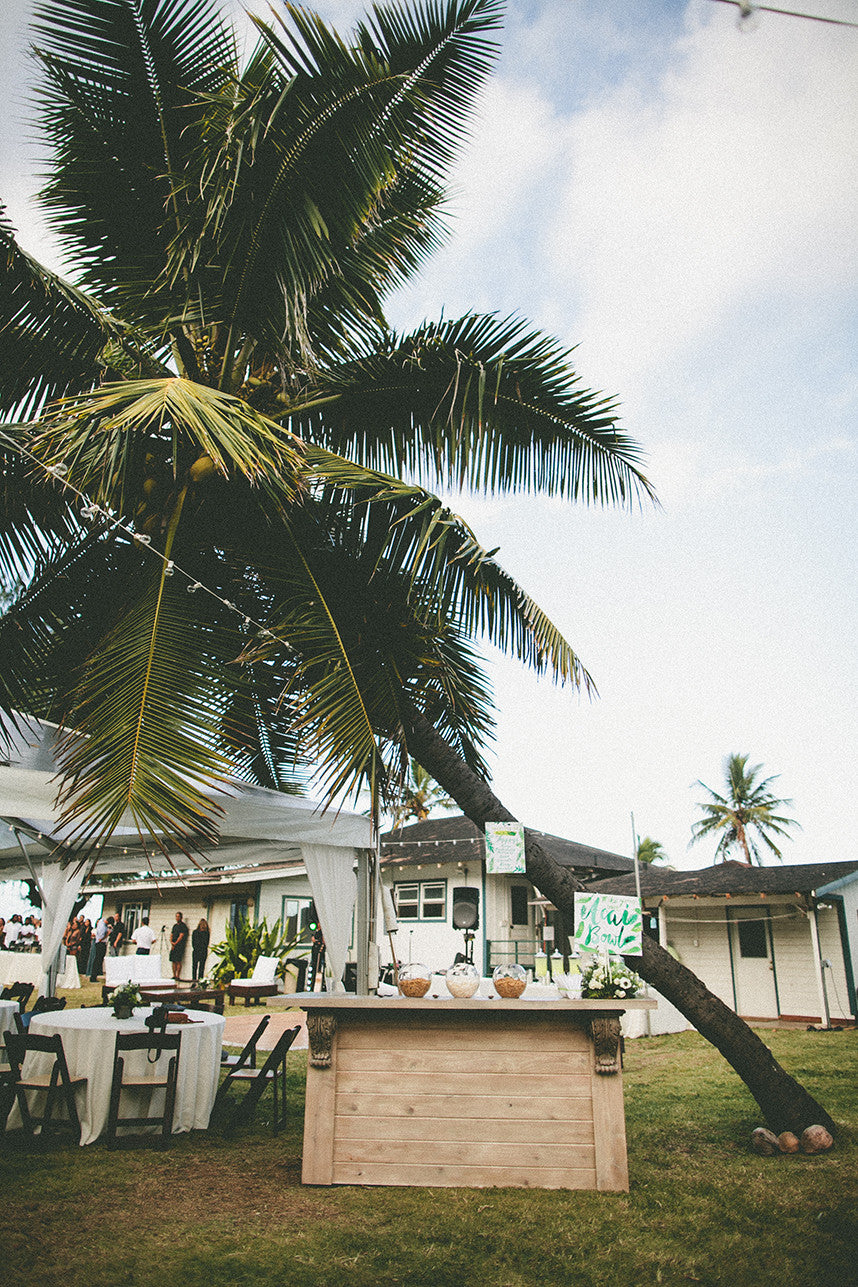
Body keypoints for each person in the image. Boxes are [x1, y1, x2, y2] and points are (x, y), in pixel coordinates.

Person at [90, 914, 111, 981]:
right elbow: (100, 939)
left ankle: (94, 976)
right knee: (98, 960)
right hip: (100, 944)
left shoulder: (101, 921)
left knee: (97, 960)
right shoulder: (103, 928)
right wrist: (107, 934)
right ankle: (93, 977)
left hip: (98, 943)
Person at [169, 911, 189, 981]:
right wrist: (171, 942)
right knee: (173, 960)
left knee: (178, 961)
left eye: (178, 916)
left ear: (181, 917)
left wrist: (176, 943)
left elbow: (181, 936)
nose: (177, 918)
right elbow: (171, 934)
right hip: (173, 946)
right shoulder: (175, 926)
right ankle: (174, 975)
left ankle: (178, 975)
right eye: (176, 916)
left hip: (179, 946)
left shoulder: (183, 926)